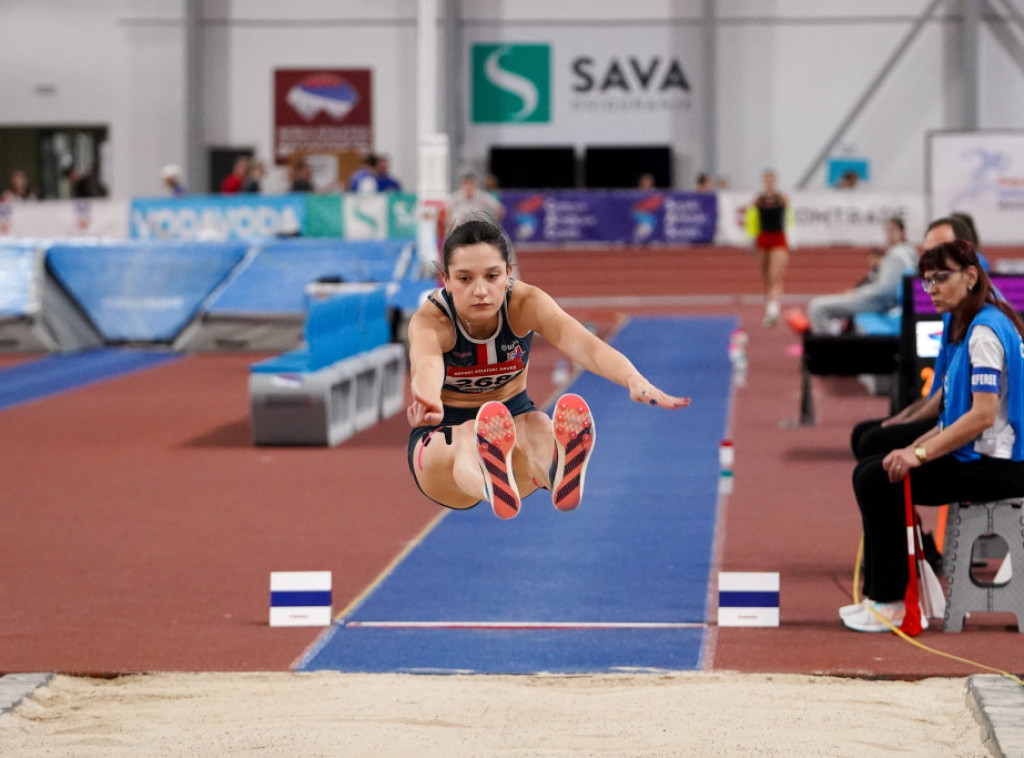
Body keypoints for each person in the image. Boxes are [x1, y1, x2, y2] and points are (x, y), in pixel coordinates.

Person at [406, 219, 690, 519]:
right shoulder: (431, 321)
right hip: (442, 453)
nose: (480, 290)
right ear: (446, 281)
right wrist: (429, 400)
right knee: (468, 434)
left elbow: (584, 344)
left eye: (492, 276)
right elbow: (427, 365)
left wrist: (634, 379)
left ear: (508, 275)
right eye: (465, 279)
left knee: (539, 424)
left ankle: (556, 473)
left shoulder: (525, 302)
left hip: (511, 437)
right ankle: (490, 485)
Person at [841, 238, 1024, 632]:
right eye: (927, 281)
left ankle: (893, 602)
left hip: (1002, 465)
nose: (932, 289)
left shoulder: (985, 333)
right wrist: (911, 446)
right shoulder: (966, 324)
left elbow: (982, 416)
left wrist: (918, 455)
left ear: (971, 276)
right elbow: (951, 413)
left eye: (941, 278)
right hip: (980, 454)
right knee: (875, 468)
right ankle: (880, 595)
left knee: (877, 479)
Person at [849, 216, 977, 461]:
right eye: (927, 254)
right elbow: (945, 390)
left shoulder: (981, 323)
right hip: (951, 422)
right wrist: (905, 421)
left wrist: (917, 451)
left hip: (976, 442)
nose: (930, 267)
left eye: (941, 254)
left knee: (872, 452)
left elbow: (980, 415)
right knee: (868, 440)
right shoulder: (952, 312)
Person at [797, 218, 917, 335]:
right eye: (887, 231)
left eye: (892, 231)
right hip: (883, 300)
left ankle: (828, 353)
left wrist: (857, 293)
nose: (889, 235)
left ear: (902, 232)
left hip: (879, 302)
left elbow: (885, 290)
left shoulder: (897, 254)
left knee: (818, 308)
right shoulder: (910, 252)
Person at [746, 169, 791, 327]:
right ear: (763, 181)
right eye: (766, 179)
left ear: (775, 180)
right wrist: (751, 241)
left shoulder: (782, 198)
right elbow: (751, 221)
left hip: (778, 238)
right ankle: (770, 306)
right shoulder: (758, 199)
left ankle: (773, 310)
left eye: (771, 179)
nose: (769, 182)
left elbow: (790, 219)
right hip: (763, 238)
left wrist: (793, 239)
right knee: (765, 278)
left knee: (775, 276)